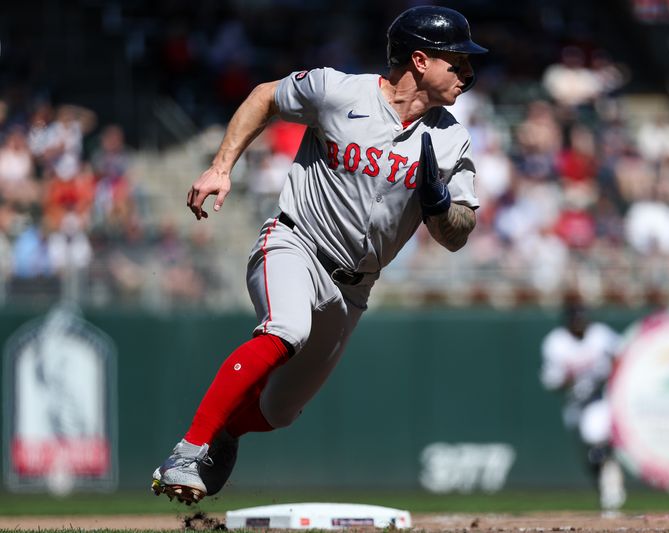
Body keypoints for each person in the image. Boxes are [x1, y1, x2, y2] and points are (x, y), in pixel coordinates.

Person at [151, 5, 487, 504]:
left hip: (354, 288)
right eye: (456, 61)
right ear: (419, 60)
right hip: (295, 243)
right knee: (287, 329)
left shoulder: (451, 138)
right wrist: (222, 166)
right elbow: (264, 96)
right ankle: (188, 449)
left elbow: (458, 232)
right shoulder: (338, 90)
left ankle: (224, 433)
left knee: (280, 411)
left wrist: (439, 205)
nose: (468, 73)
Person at [539, 301, 626, 514]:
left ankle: (611, 482)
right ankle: (606, 481)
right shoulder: (556, 343)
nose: (580, 324)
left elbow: (622, 354)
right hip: (575, 403)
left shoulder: (599, 334)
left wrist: (612, 376)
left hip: (600, 397)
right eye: (575, 320)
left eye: (582, 319)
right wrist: (568, 379)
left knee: (596, 436)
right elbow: (551, 381)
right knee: (590, 455)